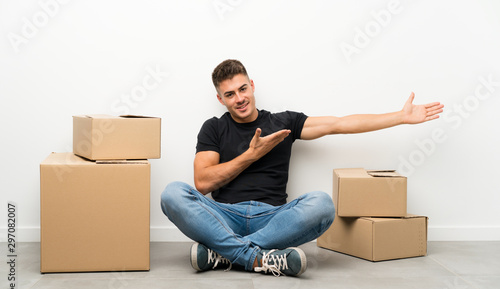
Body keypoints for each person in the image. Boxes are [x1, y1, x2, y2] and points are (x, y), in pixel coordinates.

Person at [161, 59, 444, 277]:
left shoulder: (283, 122)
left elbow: (340, 124)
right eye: (230, 94)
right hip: (224, 216)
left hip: (272, 218)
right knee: (173, 193)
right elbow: (203, 182)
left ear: (253, 86)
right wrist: (250, 155)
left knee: (321, 204)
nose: (240, 98)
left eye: (243, 88)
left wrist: (400, 117)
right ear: (221, 99)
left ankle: (225, 254)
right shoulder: (214, 127)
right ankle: (258, 258)